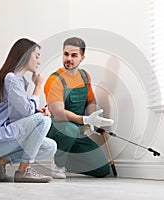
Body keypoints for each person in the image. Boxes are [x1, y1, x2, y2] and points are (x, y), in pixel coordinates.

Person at [0, 38, 57, 183]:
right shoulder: (10, 78)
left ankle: (0, 162)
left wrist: (36, 111)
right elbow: (27, 112)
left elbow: (20, 116)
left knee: (50, 147)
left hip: (3, 140)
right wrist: (38, 86)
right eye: (36, 56)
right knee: (44, 120)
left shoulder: (19, 81)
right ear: (25, 54)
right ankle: (24, 170)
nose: (39, 61)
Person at [44, 37, 114, 179]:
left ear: (82, 57)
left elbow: (90, 100)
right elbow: (58, 114)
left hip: (76, 130)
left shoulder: (84, 76)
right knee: (70, 128)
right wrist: (85, 119)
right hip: (57, 128)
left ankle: (65, 156)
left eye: (74, 55)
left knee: (102, 169)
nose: (68, 58)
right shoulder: (54, 80)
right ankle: (58, 164)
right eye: (66, 54)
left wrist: (93, 117)